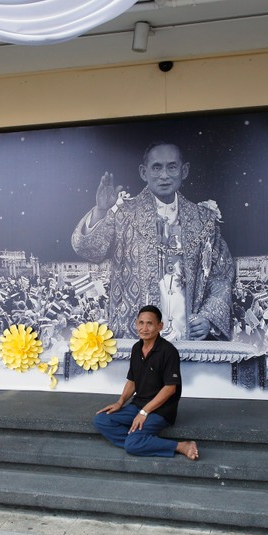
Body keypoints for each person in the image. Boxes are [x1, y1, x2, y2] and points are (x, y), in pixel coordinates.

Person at [71, 142, 234, 341]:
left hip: (189, 338)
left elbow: (222, 277)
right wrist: (101, 211)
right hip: (134, 337)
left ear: (184, 171)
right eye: (156, 167)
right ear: (143, 172)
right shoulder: (123, 213)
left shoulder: (203, 220)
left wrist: (208, 317)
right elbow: (89, 249)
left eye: (171, 167)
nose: (164, 175)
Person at [93, 305, 199, 460]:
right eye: (141, 323)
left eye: (149, 323)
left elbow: (170, 389)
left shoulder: (169, 352)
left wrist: (144, 412)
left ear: (159, 326)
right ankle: (138, 440)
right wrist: (120, 402)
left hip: (160, 411)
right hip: (137, 405)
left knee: (132, 445)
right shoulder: (136, 348)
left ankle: (180, 446)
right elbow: (132, 380)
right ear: (136, 324)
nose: (144, 328)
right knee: (101, 419)